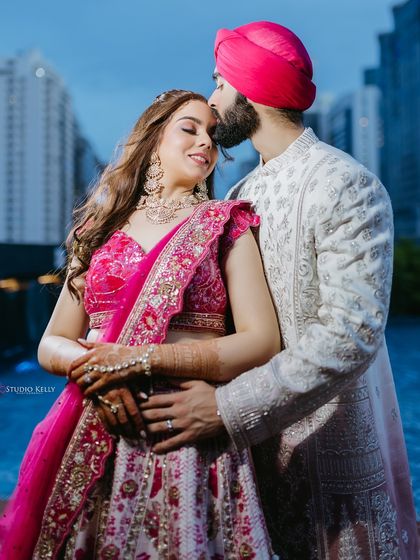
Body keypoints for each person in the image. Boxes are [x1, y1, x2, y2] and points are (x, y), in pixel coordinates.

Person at [138, 22, 420, 559]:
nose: (214, 102)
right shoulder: (239, 191)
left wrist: (225, 409)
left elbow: (350, 334)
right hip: (248, 469)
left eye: (220, 82)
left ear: (252, 89)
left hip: (331, 456)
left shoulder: (344, 182)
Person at [0, 90, 280, 559]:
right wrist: (101, 376)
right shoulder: (99, 231)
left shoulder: (224, 225)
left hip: (187, 432)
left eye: (213, 135)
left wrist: (139, 358)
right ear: (151, 142)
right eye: (189, 128)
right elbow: (52, 343)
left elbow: (262, 341)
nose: (206, 143)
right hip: (98, 425)